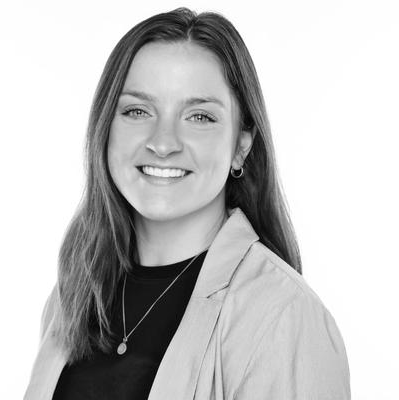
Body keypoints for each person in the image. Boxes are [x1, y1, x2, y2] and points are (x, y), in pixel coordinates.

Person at [24, 7, 351, 400]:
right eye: (137, 111)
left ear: (241, 145)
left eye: (199, 117)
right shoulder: (74, 294)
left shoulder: (283, 316)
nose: (163, 143)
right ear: (105, 128)